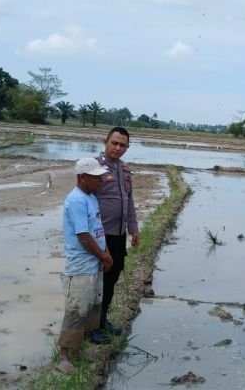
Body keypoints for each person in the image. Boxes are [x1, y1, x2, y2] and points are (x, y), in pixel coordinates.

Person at [57, 158, 114, 374]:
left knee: (91, 307)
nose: (101, 181)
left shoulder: (91, 198)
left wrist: (106, 254)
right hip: (81, 264)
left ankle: (77, 350)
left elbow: (98, 229)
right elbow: (83, 236)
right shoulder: (76, 201)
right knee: (76, 309)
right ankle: (63, 357)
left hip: (95, 262)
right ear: (82, 177)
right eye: (96, 177)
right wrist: (103, 256)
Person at [93, 126, 140, 337]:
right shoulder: (94, 169)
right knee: (97, 283)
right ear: (106, 142)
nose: (118, 148)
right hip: (100, 236)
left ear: (127, 148)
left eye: (123, 145)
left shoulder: (124, 170)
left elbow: (129, 201)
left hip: (119, 236)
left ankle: (102, 322)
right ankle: (92, 327)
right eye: (115, 143)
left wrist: (134, 228)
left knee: (111, 281)